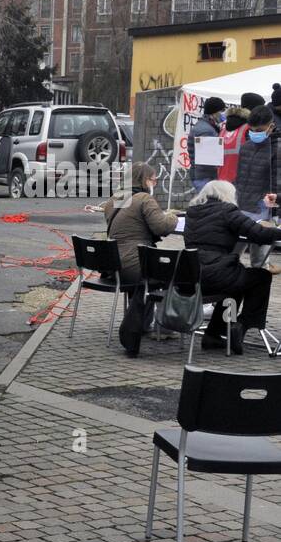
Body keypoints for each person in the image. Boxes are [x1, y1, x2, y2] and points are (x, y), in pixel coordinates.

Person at [183, 180, 281, 355]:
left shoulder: (192, 211)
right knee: (261, 276)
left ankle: (214, 334)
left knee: (236, 285)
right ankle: (242, 324)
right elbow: (259, 234)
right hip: (216, 273)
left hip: (191, 274)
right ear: (228, 195)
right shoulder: (227, 210)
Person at [100, 162, 179, 357]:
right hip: (136, 263)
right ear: (143, 180)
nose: (156, 182)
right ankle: (165, 327)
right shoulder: (144, 198)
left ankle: (143, 324)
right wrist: (172, 217)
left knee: (148, 275)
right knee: (173, 272)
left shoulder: (115, 198)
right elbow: (162, 227)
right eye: (153, 178)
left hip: (114, 264)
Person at [233, 104, 281, 272]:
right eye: (252, 129)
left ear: (271, 126)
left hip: (263, 212)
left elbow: (278, 184)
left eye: (259, 130)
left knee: (259, 262)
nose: (255, 133)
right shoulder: (246, 146)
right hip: (241, 209)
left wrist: (275, 214)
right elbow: (240, 177)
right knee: (231, 255)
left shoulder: (277, 148)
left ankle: (258, 293)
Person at [188, 97, 225, 191]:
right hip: (206, 179)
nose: (224, 114)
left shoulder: (205, 126)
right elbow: (209, 161)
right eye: (222, 110)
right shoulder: (206, 131)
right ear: (215, 112)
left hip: (202, 177)